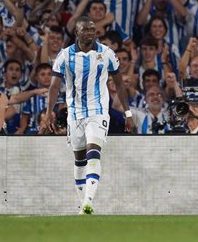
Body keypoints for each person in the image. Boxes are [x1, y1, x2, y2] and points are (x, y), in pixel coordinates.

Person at [46, 15, 135, 215]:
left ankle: (88, 200)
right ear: (77, 32)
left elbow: (119, 83)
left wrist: (128, 113)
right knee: (79, 159)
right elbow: (54, 87)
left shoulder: (107, 53)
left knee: (93, 151)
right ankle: (83, 206)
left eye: (93, 29)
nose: (91, 33)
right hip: (75, 113)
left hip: (98, 111)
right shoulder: (65, 55)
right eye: (86, 29)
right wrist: (48, 112)